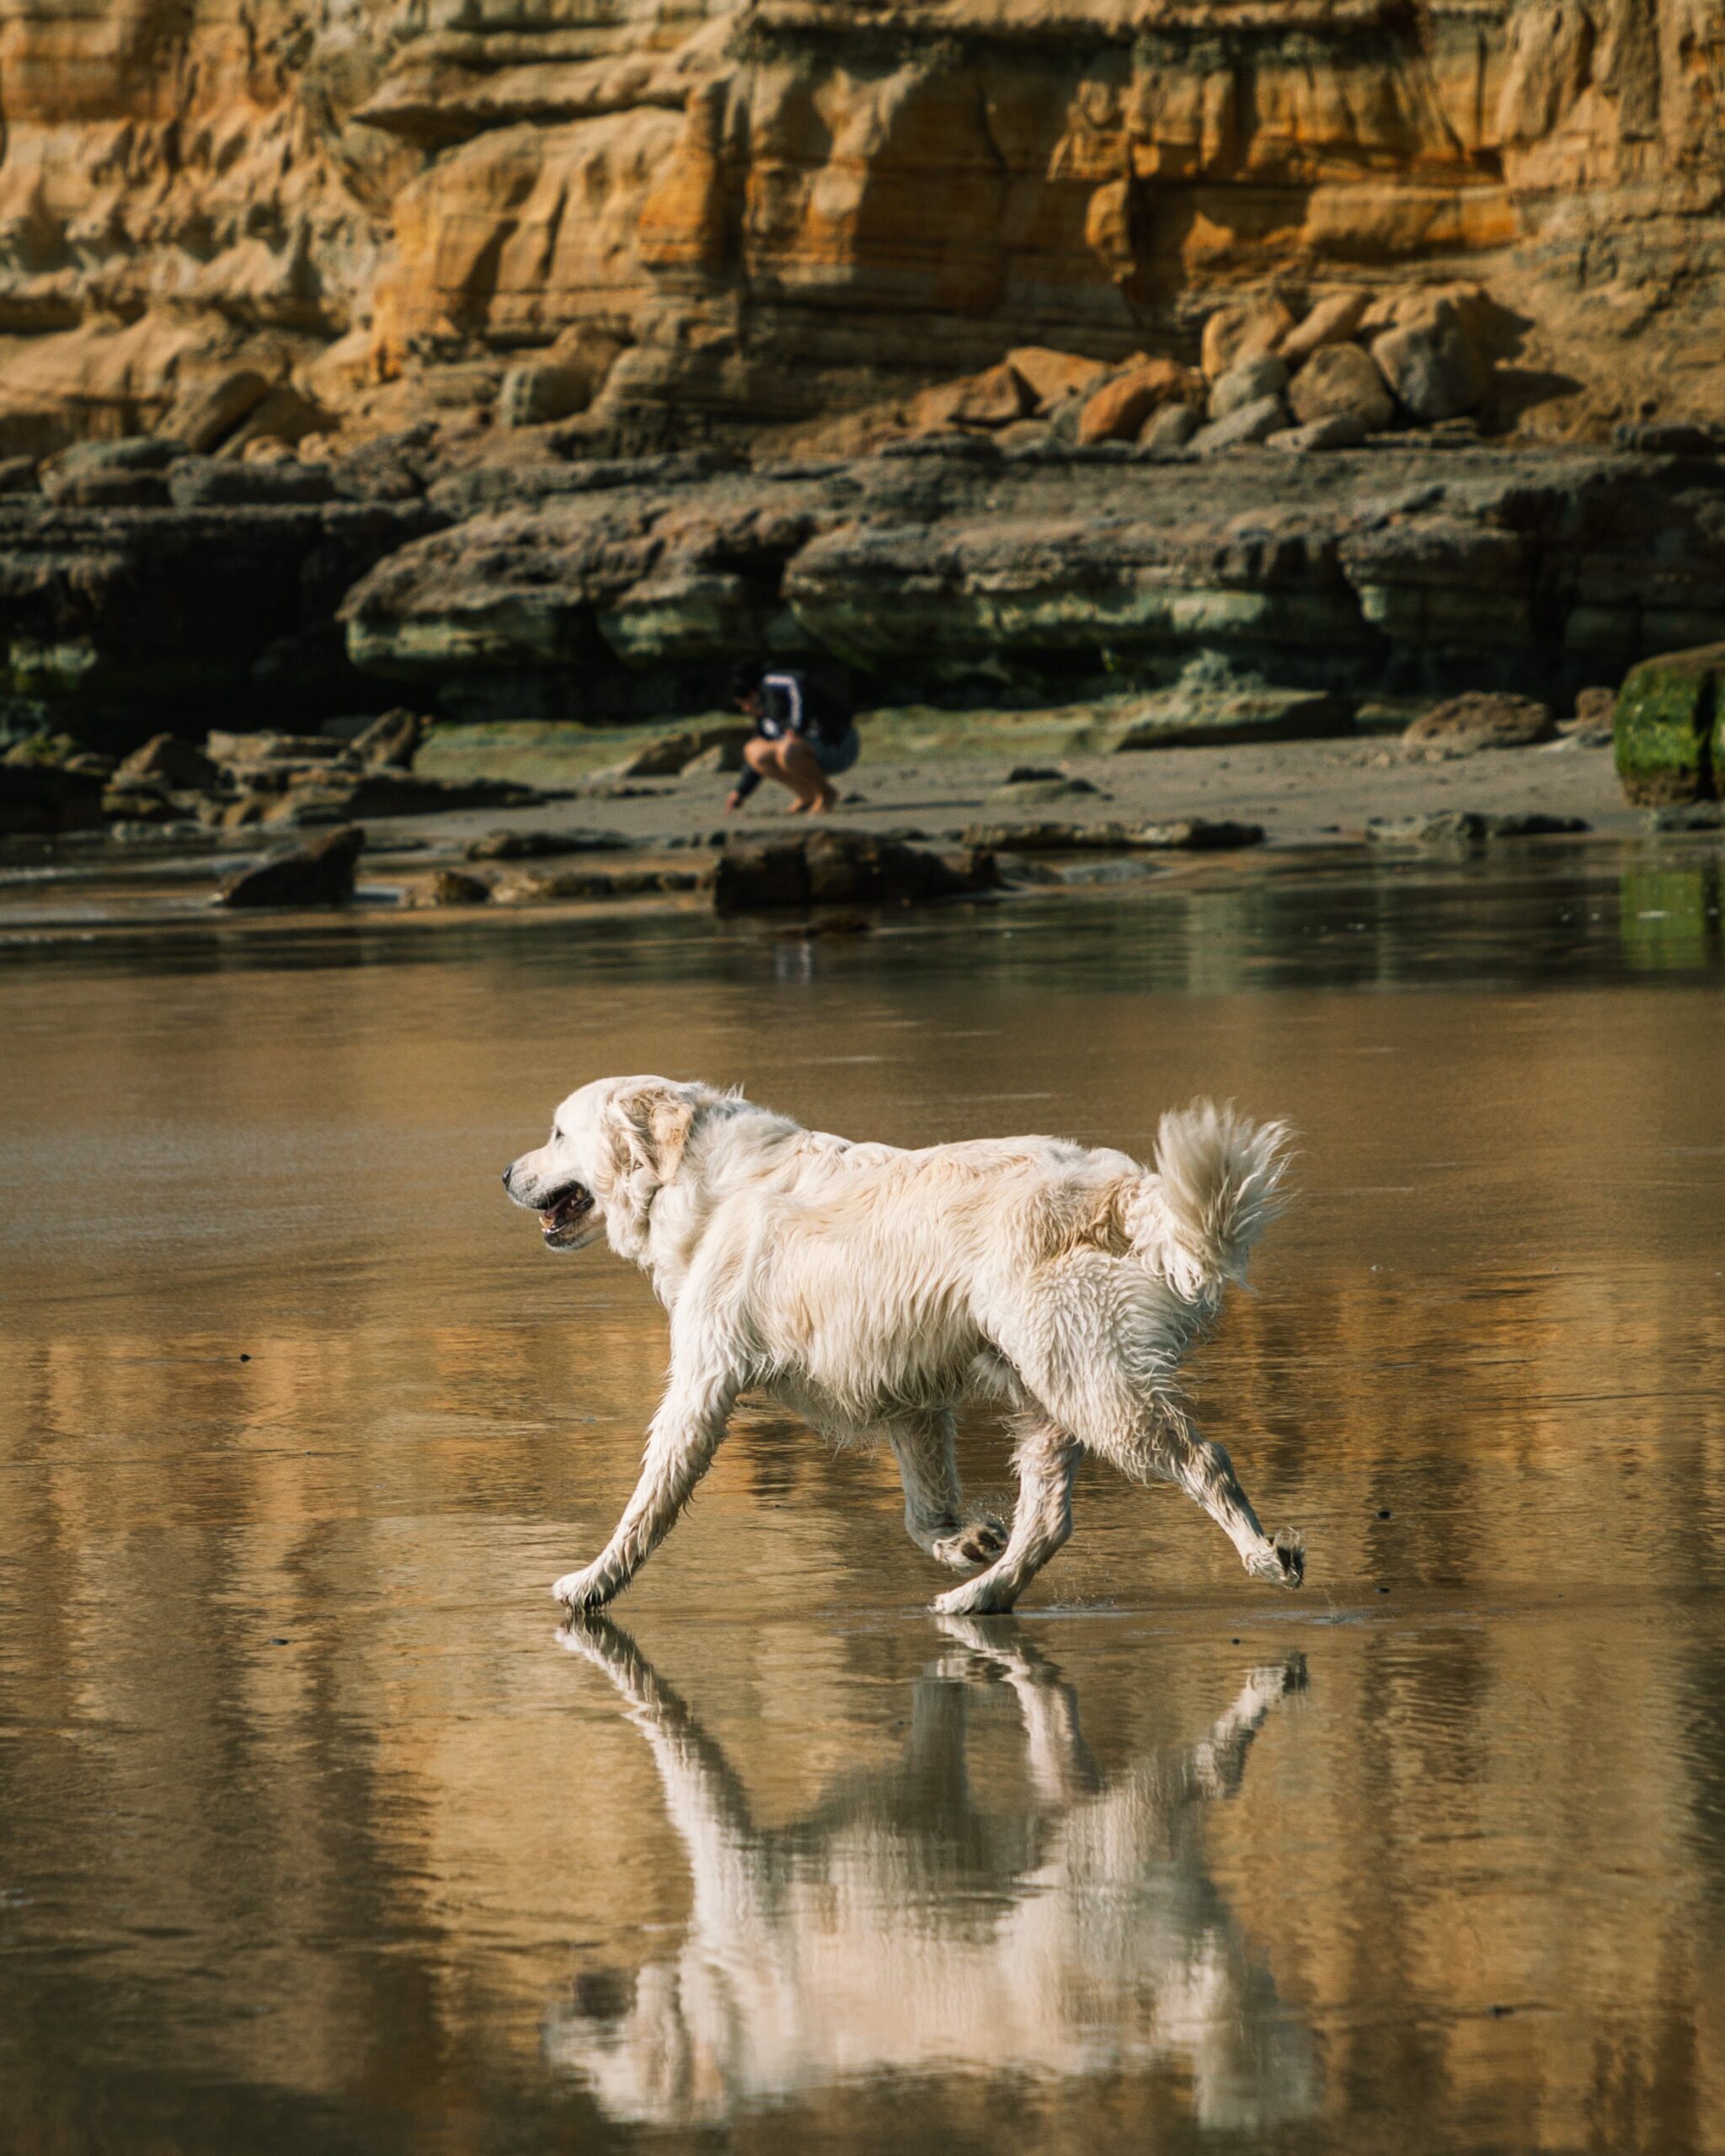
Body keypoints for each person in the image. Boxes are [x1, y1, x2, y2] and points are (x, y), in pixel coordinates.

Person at [724, 664, 859, 815]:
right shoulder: (765, 720)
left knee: (787, 749)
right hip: (805, 754)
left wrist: (796, 727)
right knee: (754, 750)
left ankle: (826, 794)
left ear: (751, 694)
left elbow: (798, 681)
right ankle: (807, 795)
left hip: (837, 744)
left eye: (743, 704)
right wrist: (741, 791)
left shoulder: (771, 683)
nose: (746, 710)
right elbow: (758, 761)